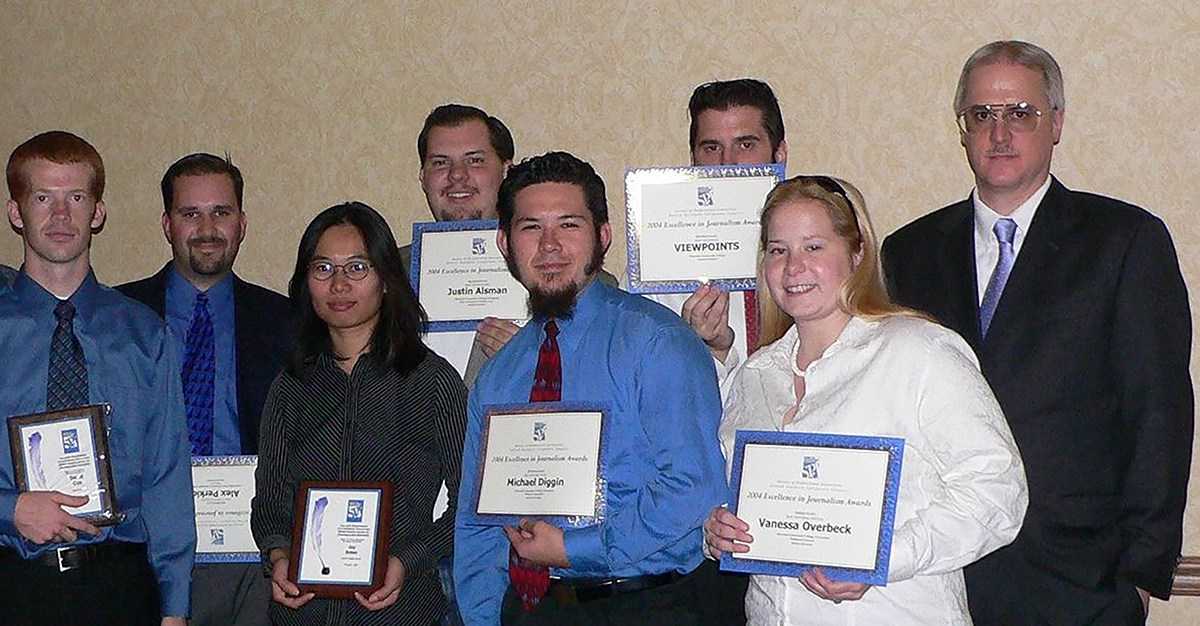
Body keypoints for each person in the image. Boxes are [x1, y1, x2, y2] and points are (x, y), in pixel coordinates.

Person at [880, 40, 1193, 625]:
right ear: (962, 128)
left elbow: (1159, 413)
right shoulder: (909, 252)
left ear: (1057, 123)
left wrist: (1140, 575)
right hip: (943, 575)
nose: (1000, 133)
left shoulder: (1124, 241)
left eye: (1020, 113)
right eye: (983, 115)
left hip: (1082, 580)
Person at [705, 175, 1028, 624]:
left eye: (813, 247)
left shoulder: (919, 353)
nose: (793, 266)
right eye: (778, 250)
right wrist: (718, 529)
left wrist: (882, 557)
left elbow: (998, 494)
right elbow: (740, 501)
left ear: (856, 254)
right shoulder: (754, 377)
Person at [454, 152, 728, 625]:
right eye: (530, 228)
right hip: (531, 611)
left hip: (647, 606)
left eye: (569, 225)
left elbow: (693, 486)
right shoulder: (499, 376)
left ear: (602, 236)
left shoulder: (657, 342)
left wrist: (573, 548)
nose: (550, 246)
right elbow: (477, 522)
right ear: (504, 242)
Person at [0, 130, 194, 625]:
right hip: (11, 581)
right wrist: (10, 510)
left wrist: (175, 607)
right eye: (43, 197)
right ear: (16, 213)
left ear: (98, 212)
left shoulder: (144, 334)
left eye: (76, 198)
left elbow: (166, 476)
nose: (61, 215)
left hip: (119, 587)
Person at [251, 201, 467, 626]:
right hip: (302, 614)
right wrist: (277, 555)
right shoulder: (291, 386)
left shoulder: (432, 382)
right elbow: (270, 502)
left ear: (385, 279)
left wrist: (408, 559)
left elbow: (469, 506)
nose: (339, 285)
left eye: (357, 268)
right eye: (323, 269)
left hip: (402, 612)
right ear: (305, 284)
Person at [117, 152, 294, 626]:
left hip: (252, 561)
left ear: (242, 223)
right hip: (143, 549)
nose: (208, 228)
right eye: (190, 213)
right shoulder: (118, 317)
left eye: (222, 212)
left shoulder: (288, 323)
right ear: (167, 224)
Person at [653, 78, 789, 383]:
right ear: (693, 161)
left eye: (746, 144)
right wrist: (711, 352)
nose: (728, 163)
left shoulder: (817, 254)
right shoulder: (657, 267)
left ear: (779, 155)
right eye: (712, 148)